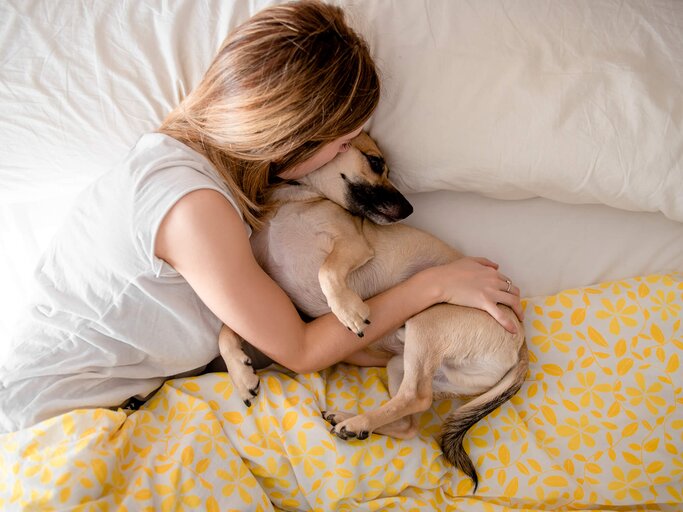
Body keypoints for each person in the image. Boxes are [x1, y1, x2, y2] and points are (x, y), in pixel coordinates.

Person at [0, 0, 522, 433]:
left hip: (109, 405)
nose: (346, 152)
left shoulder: (189, 169)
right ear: (291, 134)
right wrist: (436, 285)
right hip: (47, 419)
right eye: (342, 141)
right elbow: (299, 350)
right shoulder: (193, 207)